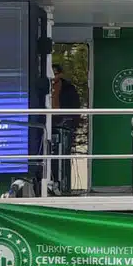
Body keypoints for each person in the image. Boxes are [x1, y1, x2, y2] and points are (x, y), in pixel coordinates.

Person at [50, 64, 82, 193]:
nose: (54, 77)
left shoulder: (69, 88)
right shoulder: (43, 87)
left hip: (64, 126)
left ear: (61, 74)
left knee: (63, 156)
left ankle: (63, 185)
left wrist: (72, 123)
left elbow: (75, 107)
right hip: (46, 125)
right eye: (52, 74)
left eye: (56, 74)